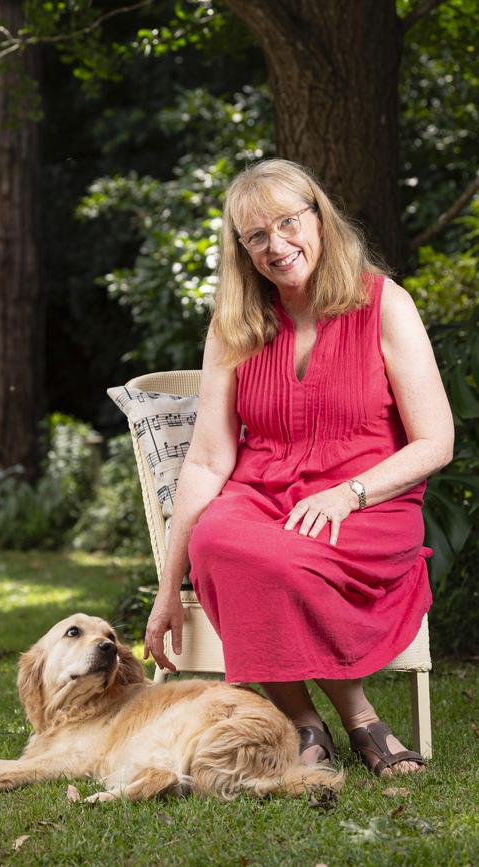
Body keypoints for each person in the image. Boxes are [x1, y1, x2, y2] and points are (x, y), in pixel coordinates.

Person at [143, 159, 454, 777]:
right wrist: (166, 589)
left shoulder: (383, 303)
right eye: (256, 235)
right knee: (222, 542)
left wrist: (350, 493)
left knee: (275, 557)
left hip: (368, 505)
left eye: (288, 222)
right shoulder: (235, 325)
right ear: (241, 248)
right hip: (263, 498)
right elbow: (207, 461)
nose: (276, 246)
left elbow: (435, 442)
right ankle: (328, 720)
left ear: (320, 218)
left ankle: (338, 723)